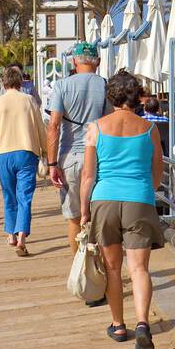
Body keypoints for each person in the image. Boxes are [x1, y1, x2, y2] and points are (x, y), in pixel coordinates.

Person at [79, 71, 165, 349]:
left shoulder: (97, 128)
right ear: (136, 95)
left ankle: (118, 324)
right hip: (139, 198)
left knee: (113, 268)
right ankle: (142, 324)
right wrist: (144, 193)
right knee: (139, 268)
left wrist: (84, 211)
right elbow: (157, 173)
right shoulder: (149, 129)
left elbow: (88, 176)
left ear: (111, 96)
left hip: (104, 199)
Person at [44, 41, 109, 257]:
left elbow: (53, 126)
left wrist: (51, 163)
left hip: (69, 156)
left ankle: (80, 267)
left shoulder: (62, 86)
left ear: (74, 62)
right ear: (97, 62)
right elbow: (110, 123)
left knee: (73, 217)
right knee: (97, 215)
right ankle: (98, 268)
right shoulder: (104, 85)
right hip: (99, 157)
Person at [0, 66, 47, 257]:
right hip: (26, 153)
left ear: (3, 82)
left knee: (9, 196)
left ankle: (10, 235)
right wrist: (46, 152)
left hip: (4, 155)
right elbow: (40, 128)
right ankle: (22, 237)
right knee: (24, 197)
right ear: (20, 82)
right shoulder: (29, 101)